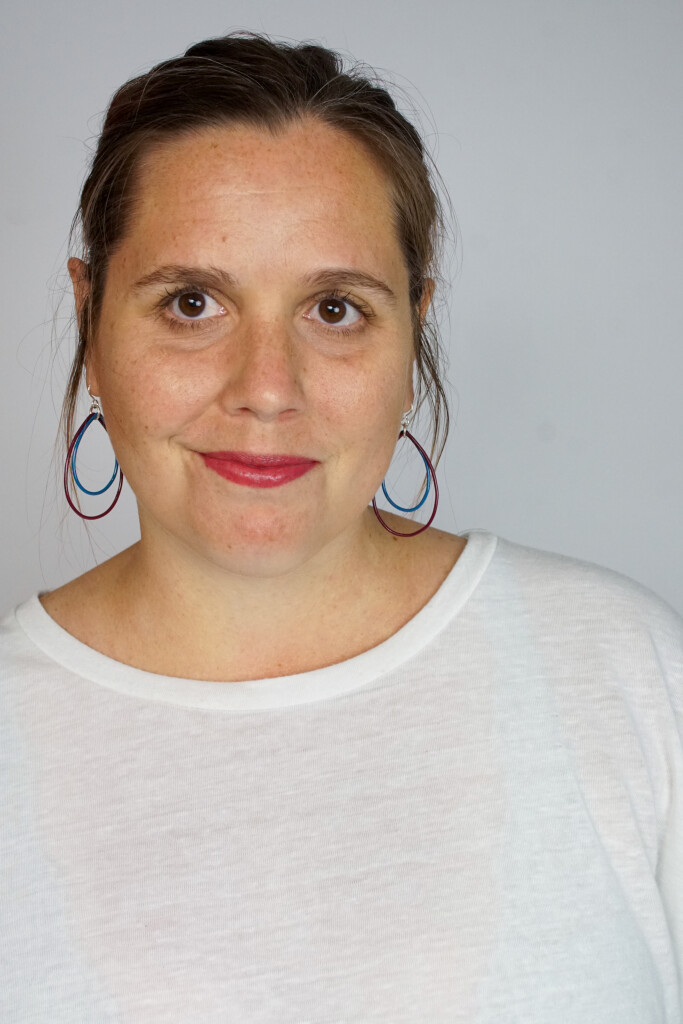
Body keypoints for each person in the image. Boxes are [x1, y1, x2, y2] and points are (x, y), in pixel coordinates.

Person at [1, 32, 681, 1023]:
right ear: (90, 318)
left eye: (333, 308)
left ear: (413, 332)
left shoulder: (625, 674)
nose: (266, 389)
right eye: (191, 303)